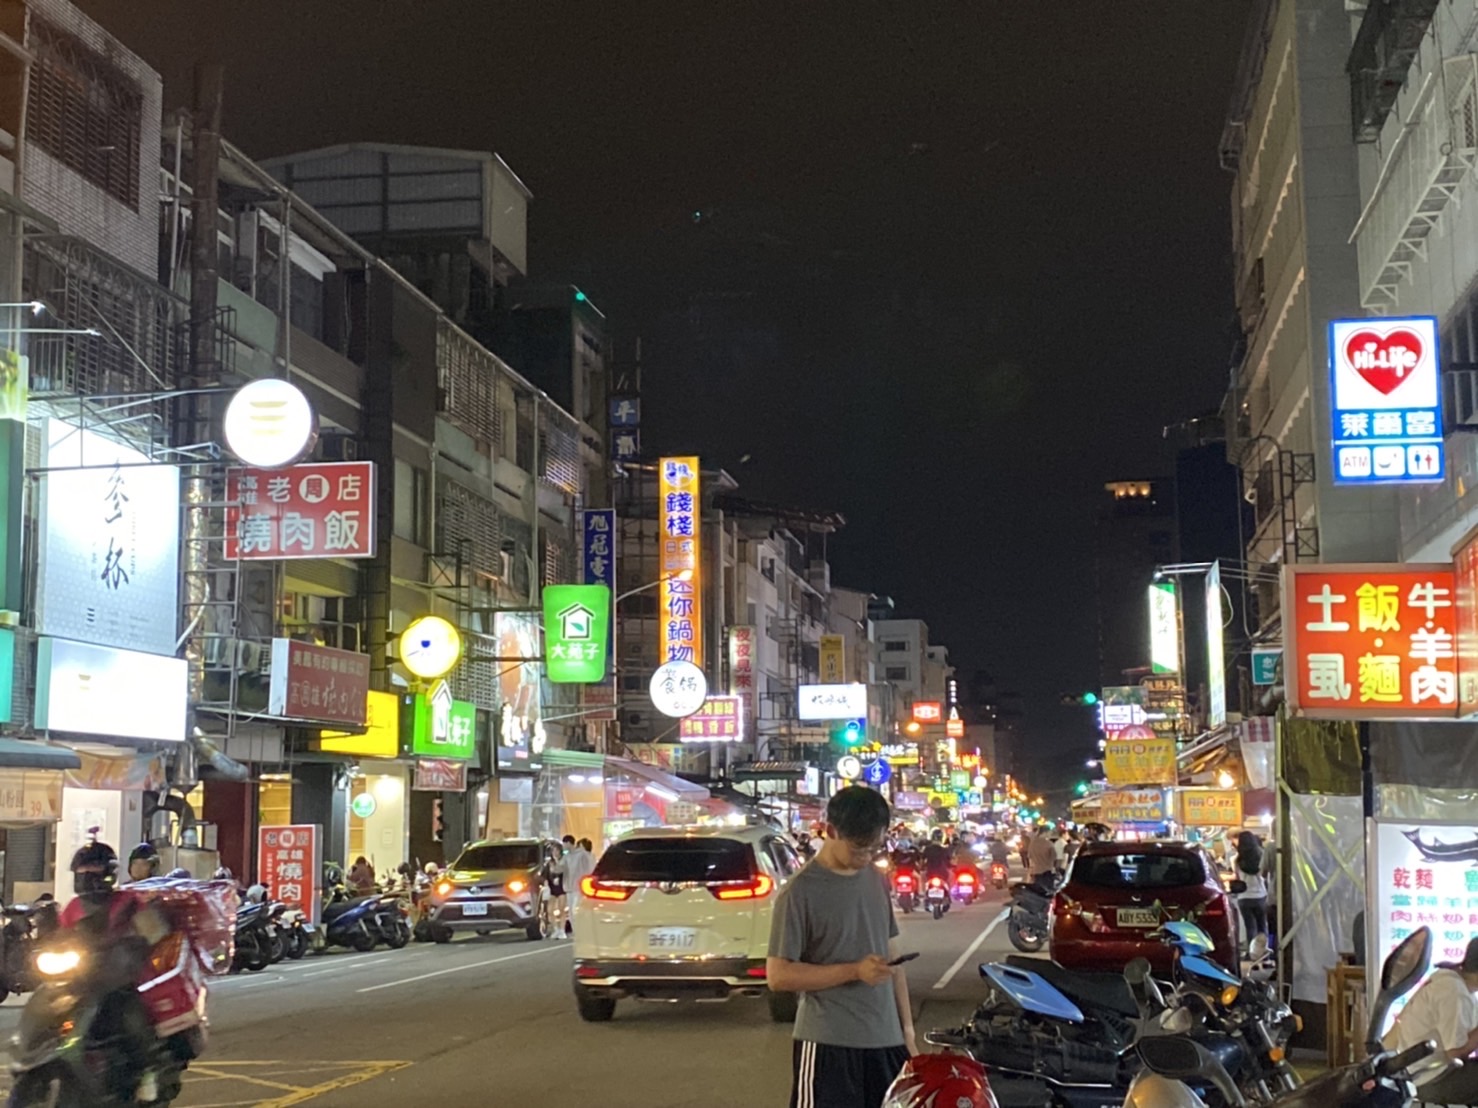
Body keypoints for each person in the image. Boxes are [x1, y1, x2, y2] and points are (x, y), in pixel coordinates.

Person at [767, 786, 916, 1108]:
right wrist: (854, 971)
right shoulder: (799, 892)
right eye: (860, 848)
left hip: (887, 1041)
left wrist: (907, 1033)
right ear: (831, 831)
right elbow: (778, 976)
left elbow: (893, 959)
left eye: (875, 847)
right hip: (828, 1044)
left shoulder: (875, 879)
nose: (867, 856)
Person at [63, 837, 170, 1103]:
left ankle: (149, 1071)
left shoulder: (127, 901)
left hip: (117, 978)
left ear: (108, 875)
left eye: (93, 871)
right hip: (79, 979)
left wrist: (137, 941)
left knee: (130, 1015)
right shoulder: (73, 907)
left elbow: (154, 930)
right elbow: (59, 935)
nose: (86, 877)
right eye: (82, 872)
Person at [1384, 936, 1478, 1099]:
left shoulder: (1454, 983)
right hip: (1427, 1078)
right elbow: (1455, 1053)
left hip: (1419, 1072)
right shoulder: (1454, 991)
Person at [1233, 831, 1268, 950]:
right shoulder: (1261, 856)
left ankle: (1251, 953)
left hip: (1244, 897)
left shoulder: (1237, 860)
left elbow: (1237, 877)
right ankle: (1263, 953)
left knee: (1250, 928)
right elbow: (1264, 875)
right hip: (1260, 895)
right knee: (1262, 927)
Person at [563, 836, 596, 933]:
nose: (578, 848)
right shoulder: (570, 856)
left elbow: (590, 871)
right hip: (571, 887)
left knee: (576, 909)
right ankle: (576, 931)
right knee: (571, 911)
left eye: (580, 846)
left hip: (581, 887)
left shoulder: (588, 856)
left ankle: (582, 930)